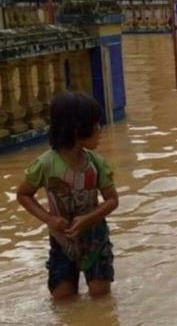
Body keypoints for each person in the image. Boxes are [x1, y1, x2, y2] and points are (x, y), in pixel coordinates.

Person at [16, 92, 118, 300]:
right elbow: (23, 194)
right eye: (96, 125)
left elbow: (112, 200)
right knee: (62, 297)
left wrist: (88, 219)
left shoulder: (97, 164)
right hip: (62, 241)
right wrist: (49, 219)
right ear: (77, 128)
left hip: (95, 240)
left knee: (100, 295)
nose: (100, 131)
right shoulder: (45, 164)